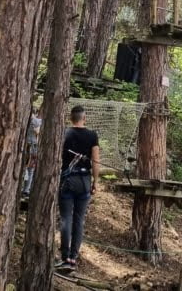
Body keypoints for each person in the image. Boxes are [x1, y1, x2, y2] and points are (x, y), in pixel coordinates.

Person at [57, 105, 99, 271]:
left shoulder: (64, 133)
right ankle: (73, 258)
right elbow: (95, 161)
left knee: (66, 218)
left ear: (70, 118)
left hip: (67, 180)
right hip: (84, 181)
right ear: (84, 118)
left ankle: (65, 257)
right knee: (79, 220)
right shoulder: (92, 135)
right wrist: (95, 182)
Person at [22, 104, 42, 196]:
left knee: (24, 169)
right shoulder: (37, 121)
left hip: (24, 146)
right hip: (33, 147)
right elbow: (38, 132)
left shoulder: (23, 119)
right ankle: (26, 189)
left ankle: (23, 188)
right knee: (30, 170)